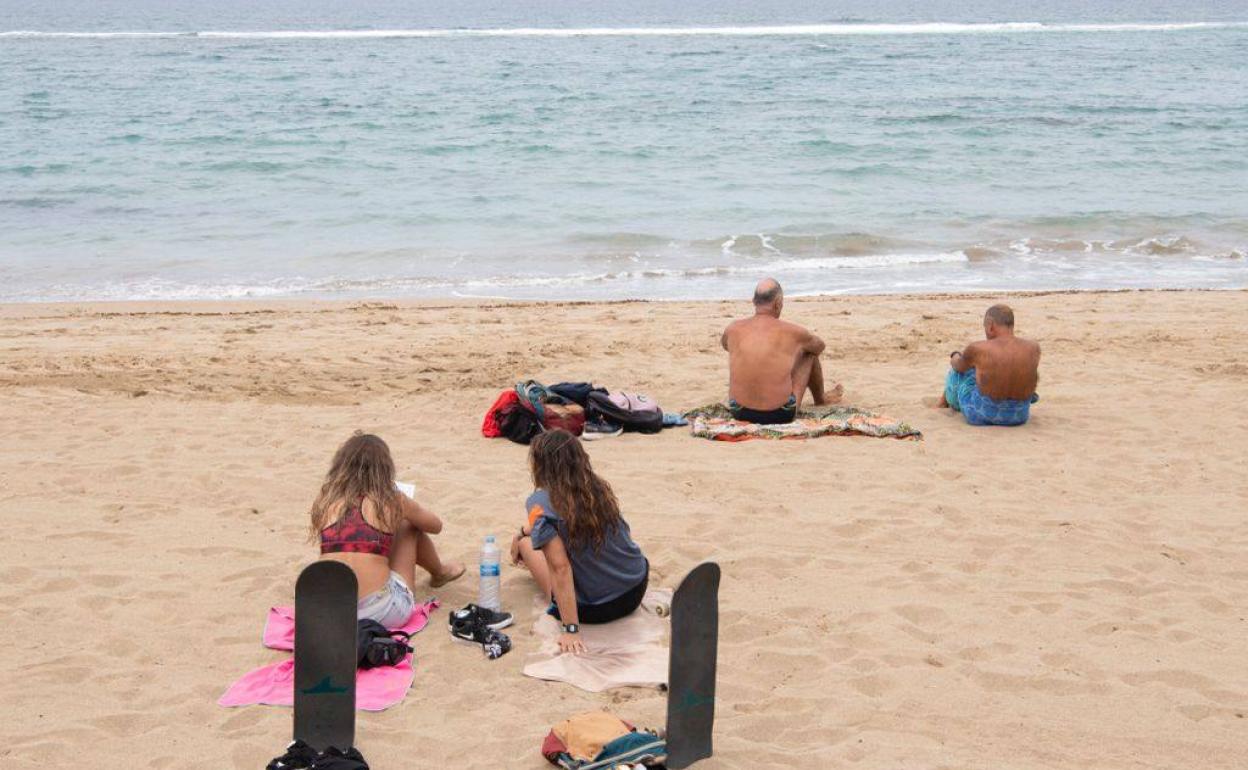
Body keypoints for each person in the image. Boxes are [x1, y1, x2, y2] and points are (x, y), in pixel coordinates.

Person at [510, 430, 649, 654]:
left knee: (527, 546)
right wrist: (522, 531)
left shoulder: (539, 503)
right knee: (533, 538)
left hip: (596, 608)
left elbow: (561, 568)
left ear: (540, 466)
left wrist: (571, 629)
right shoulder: (597, 488)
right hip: (636, 587)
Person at [311, 432, 464, 628]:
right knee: (408, 525)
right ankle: (439, 572)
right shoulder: (392, 499)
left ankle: (435, 572)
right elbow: (435, 526)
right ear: (384, 469)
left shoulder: (327, 501)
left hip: (332, 612)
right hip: (381, 612)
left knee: (361, 541)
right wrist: (404, 510)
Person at [720, 278, 843, 424]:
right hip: (779, 414)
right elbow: (819, 347)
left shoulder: (732, 328)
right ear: (778, 303)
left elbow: (726, 346)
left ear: (754, 301)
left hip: (739, 411)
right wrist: (795, 352)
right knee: (808, 353)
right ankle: (820, 400)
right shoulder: (793, 332)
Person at [940, 304, 1041, 426]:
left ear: (990, 326)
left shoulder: (978, 348)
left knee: (958, 373)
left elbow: (958, 366)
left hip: (981, 414)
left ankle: (943, 402)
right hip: (1019, 415)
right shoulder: (1033, 347)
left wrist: (955, 355)